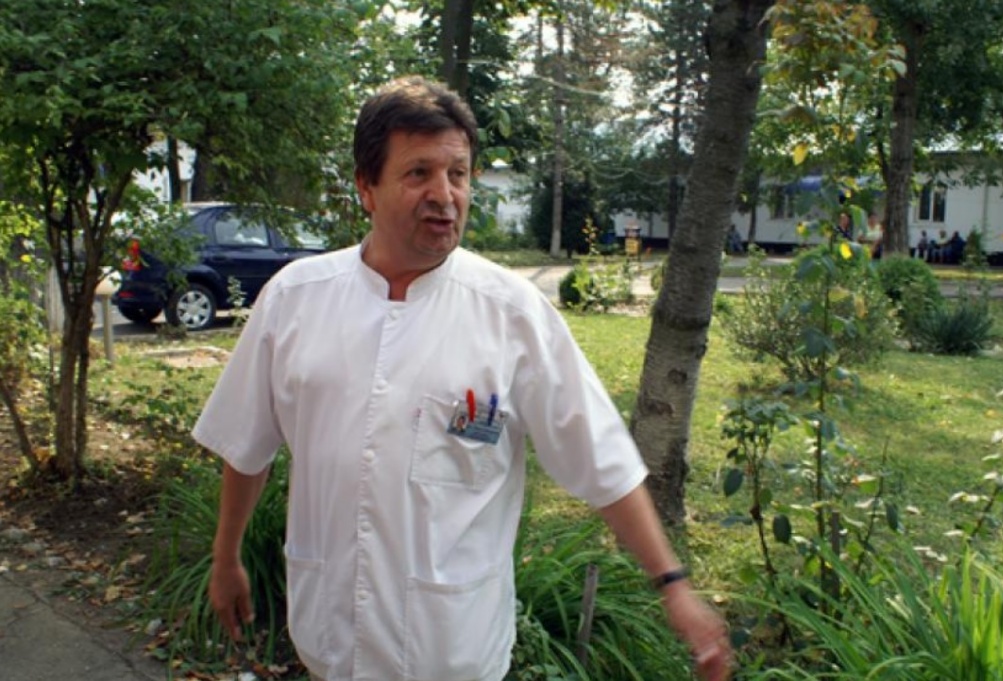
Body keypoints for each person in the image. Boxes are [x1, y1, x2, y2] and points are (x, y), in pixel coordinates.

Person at [194, 77, 732, 681]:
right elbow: (247, 441)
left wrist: (673, 585)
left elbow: (601, 457)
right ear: (366, 187)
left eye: (458, 174)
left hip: (454, 650)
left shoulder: (511, 314)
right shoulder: (296, 299)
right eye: (418, 173)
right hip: (330, 644)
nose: (444, 195)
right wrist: (226, 555)